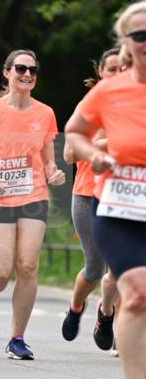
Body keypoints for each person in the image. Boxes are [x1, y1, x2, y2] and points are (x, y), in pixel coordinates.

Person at [65, 0, 146, 379]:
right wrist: (92, 154)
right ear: (126, 42)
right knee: (137, 290)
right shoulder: (109, 91)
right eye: (139, 35)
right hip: (119, 206)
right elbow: (74, 132)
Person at [0, 49, 65, 359]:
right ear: (7, 73)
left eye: (33, 70)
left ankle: (16, 338)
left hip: (33, 195)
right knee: (0, 272)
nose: (27, 74)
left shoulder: (45, 113)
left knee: (28, 267)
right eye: (20, 68)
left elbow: (48, 160)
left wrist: (54, 172)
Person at [61, 48, 121, 345]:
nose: (119, 73)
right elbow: (69, 154)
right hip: (88, 194)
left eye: (124, 68)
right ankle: (76, 307)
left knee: (122, 267)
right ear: (100, 71)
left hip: (124, 194)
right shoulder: (89, 105)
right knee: (95, 268)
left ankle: (107, 314)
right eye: (112, 69)